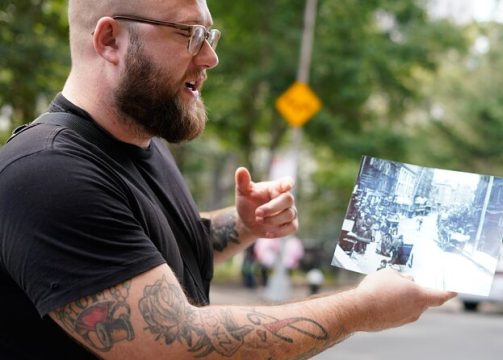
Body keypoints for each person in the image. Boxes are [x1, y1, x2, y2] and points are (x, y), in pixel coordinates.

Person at [0, 0, 456, 359]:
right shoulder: (46, 172)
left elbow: (147, 244)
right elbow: (174, 344)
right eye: (190, 34)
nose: (210, 56)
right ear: (110, 39)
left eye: (209, 34)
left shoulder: (144, 143)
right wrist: (361, 309)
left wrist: (242, 225)